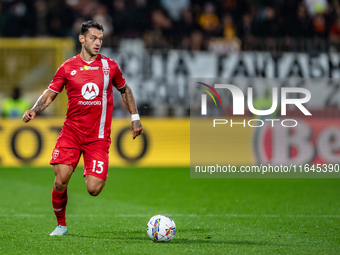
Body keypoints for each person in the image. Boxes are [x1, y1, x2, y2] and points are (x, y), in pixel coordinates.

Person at [22, 20, 143, 236]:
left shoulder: (110, 67)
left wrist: (134, 117)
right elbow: (50, 93)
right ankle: (61, 225)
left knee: (94, 189)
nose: (98, 43)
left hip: (97, 138)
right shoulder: (67, 67)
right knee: (60, 181)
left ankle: (89, 170)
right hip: (71, 134)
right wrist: (34, 109)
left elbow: (125, 90)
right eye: (93, 38)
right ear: (82, 39)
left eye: (100, 39)